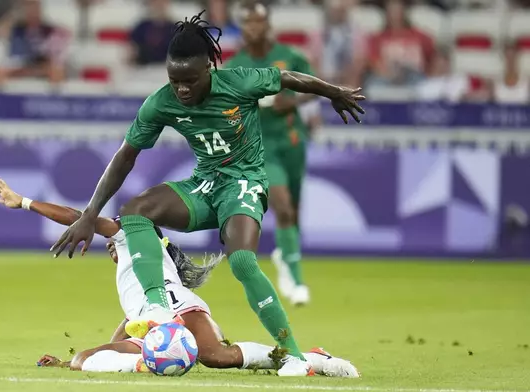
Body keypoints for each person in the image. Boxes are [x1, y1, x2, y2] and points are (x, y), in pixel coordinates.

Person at [50, 10, 365, 377]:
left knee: (243, 262)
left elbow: (286, 78)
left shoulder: (239, 82)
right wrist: (90, 214)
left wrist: (334, 93)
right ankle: (156, 309)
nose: (182, 89)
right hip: (205, 184)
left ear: (209, 70)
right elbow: (125, 157)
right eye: (174, 80)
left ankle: (296, 355)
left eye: (190, 80)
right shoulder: (161, 101)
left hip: (244, 182)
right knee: (136, 210)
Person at [0, 177, 359, 377]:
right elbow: (131, 321)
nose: (108, 246)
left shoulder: (127, 231)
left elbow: (78, 216)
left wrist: (23, 202)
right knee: (212, 356)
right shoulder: (133, 266)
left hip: (175, 309)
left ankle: (304, 358)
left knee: (214, 356)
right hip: (158, 317)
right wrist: (91, 352)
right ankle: (307, 358)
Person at [224, 1, 314, 306]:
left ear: (267, 24)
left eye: (258, 22)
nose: (253, 28)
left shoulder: (290, 57)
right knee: (284, 207)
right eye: (247, 23)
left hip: (292, 142)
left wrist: (293, 102)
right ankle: (299, 280)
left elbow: (314, 87)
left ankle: (286, 260)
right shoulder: (235, 66)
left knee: (294, 210)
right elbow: (225, 106)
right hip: (261, 149)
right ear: (242, 27)